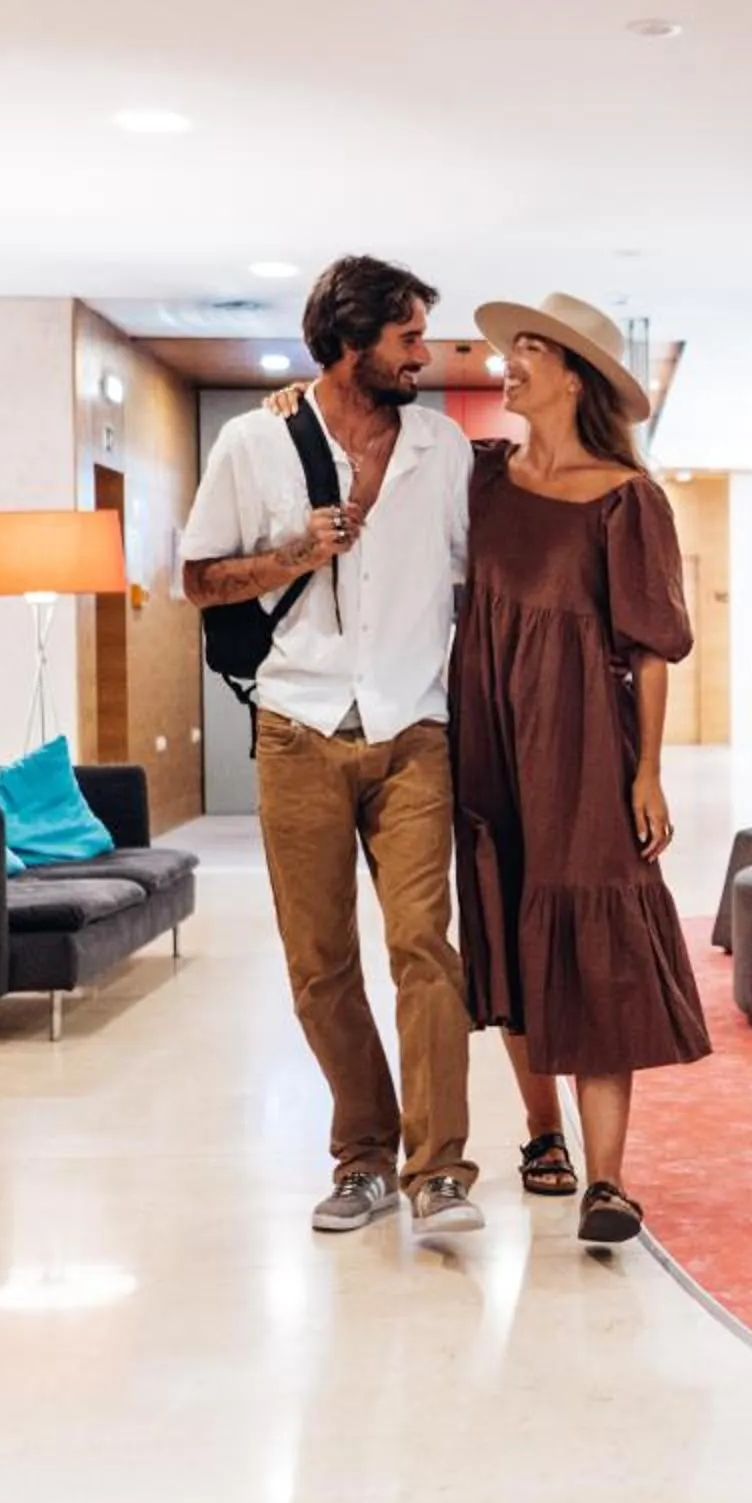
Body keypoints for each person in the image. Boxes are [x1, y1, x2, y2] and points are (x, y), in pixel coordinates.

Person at [178, 255, 483, 1238]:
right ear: (352, 342)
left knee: (423, 947)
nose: (424, 356)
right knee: (319, 961)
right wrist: (293, 555)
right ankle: (364, 1154)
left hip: (412, 732)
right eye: (407, 339)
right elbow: (198, 579)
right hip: (298, 729)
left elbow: (473, 582)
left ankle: (440, 1167)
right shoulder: (253, 443)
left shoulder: (441, 447)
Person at [453, 291, 711, 1246]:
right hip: (486, 734)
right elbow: (380, 461)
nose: (507, 364)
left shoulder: (627, 498)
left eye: (527, 351)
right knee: (511, 916)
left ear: (576, 376)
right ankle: (539, 1136)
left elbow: (650, 648)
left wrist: (647, 772)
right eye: (510, 350)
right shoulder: (480, 478)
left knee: (594, 933)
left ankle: (610, 1181)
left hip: (583, 741)